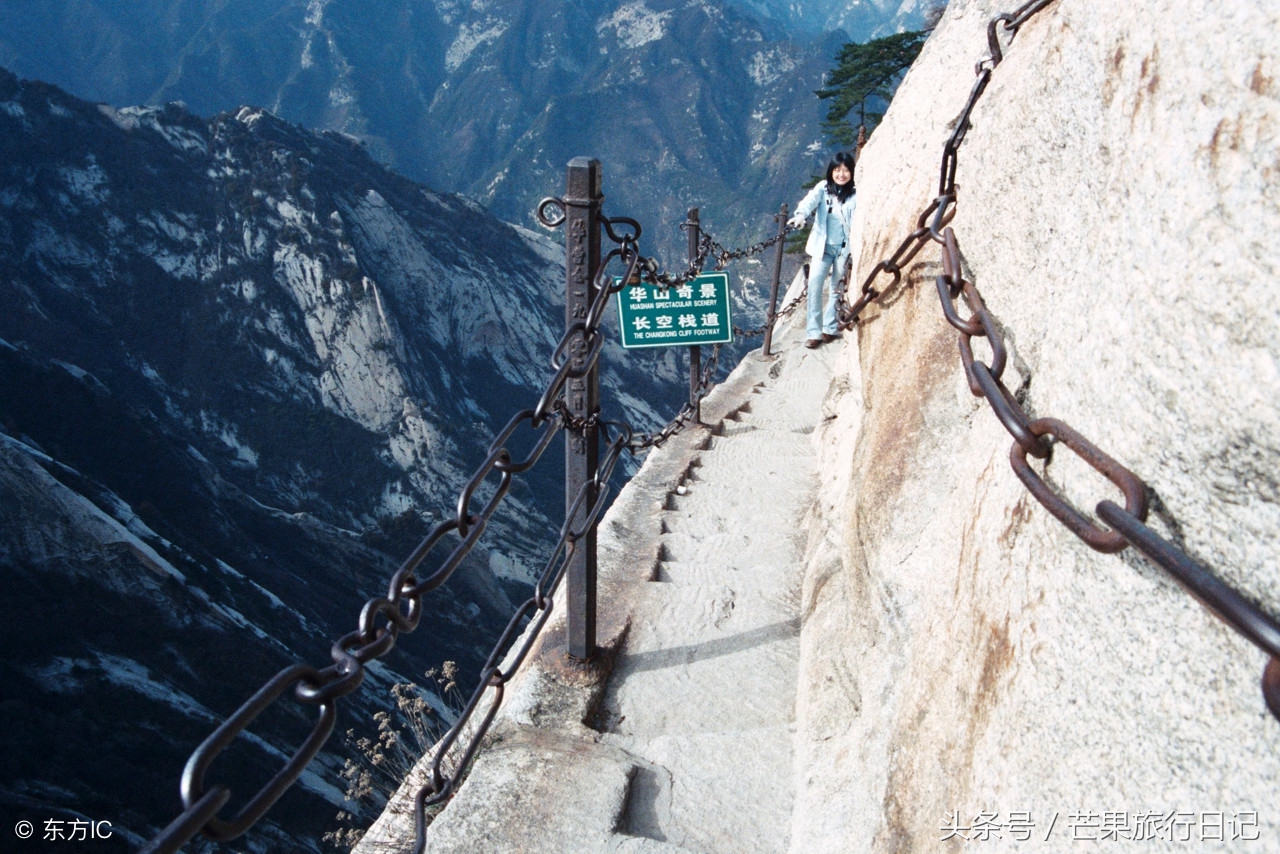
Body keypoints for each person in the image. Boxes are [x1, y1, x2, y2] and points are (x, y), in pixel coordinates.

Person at [788, 151, 857, 349]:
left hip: (845, 248)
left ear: (851, 172)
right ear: (831, 171)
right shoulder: (823, 189)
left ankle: (829, 328)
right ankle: (814, 332)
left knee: (837, 288)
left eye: (845, 170)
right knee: (815, 286)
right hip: (822, 247)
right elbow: (809, 202)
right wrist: (800, 215)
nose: (841, 174)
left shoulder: (857, 192)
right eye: (837, 170)